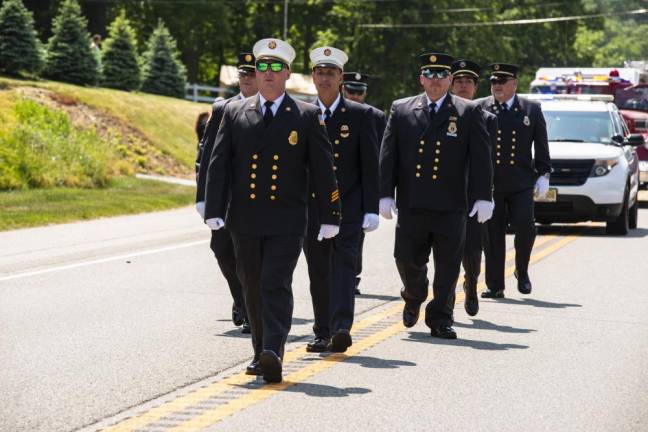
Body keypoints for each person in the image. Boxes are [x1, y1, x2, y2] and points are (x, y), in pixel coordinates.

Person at [204, 38, 340, 383]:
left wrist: (330, 215)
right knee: (250, 285)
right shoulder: (235, 112)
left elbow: (324, 170)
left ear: (287, 74)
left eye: (275, 67)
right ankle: (259, 351)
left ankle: (273, 351)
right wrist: (213, 207)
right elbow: (219, 163)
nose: (267, 73)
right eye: (262, 67)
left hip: (287, 219)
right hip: (245, 218)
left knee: (274, 282)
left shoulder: (307, 115)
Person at [379, 52, 493, 340]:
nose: (435, 81)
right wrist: (384, 193)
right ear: (421, 79)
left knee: (448, 266)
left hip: (451, 204)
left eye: (441, 75)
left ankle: (441, 317)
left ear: (450, 80)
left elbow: (481, 158)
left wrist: (483, 196)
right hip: (413, 202)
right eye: (429, 75)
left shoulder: (468, 112)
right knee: (405, 258)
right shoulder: (402, 109)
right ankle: (414, 293)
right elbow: (388, 154)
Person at [304, 47, 379, 354]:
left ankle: (341, 328)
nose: (325, 78)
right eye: (320, 72)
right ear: (313, 76)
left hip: (348, 207)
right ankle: (322, 331)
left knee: (345, 268)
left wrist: (372, 208)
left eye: (330, 73)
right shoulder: (301, 113)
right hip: (312, 207)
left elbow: (369, 166)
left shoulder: (361, 116)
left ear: (340, 79)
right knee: (319, 271)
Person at [476, 64, 551, 299]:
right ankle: (495, 284)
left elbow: (541, 143)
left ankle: (522, 270)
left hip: (521, 182)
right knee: (492, 235)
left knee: (526, 228)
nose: (497, 85)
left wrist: (544, 173)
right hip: (492, 183)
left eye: (502, 81)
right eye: (493, 81)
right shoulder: (480, 107)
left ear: (514, 84)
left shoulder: (530, 108)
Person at [195, 52, 258, 333]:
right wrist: (203, 197)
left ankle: (249, 305)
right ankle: (239, 296)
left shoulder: (273, 109)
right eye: (242, 73)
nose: (246, 77)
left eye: (251, 72)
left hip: (255, 199)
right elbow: (206, 156)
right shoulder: (223, 109)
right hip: (225, 199)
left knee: (248, 256)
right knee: (221, 250)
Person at [450, 59, 497, 316]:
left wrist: (486, 195)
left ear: (476, 87)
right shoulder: (440, 113)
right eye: (459, 80)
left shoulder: (487, 118)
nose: (464, 85)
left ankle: (471, 284)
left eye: (468, 81)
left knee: (472, 248)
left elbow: (487, 161)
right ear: (450, 84)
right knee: (445, 249)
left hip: (471, 194)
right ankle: (444, 296)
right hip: (446, 191)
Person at [342, 71, 386, 295]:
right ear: (343, 89)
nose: (355, 96)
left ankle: (352, 276)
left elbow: (380, 155)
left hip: (359, 186)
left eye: (359, 92)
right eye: (351, 91)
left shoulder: (375, 116)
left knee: (355, 235)